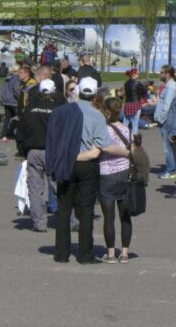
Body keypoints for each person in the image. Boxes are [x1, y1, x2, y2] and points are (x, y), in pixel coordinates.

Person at [46, 77, 128, 264]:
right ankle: (85, 254)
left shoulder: (61, 112)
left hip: (66, 163)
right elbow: (105, 146)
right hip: (87, 165)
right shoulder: (96, 115)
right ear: (96, 94)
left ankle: (61, 253)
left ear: (78, 91)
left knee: (64, 209)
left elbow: (53, 139)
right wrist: (126, 152)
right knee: (86, 209)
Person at [18, 80, 63, 232]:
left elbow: (21, 131)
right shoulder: (58, 108)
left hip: (33, 151)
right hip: (53, 152)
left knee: (35, 190)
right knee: (60, 188)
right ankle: (70, 220)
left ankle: (39, 223)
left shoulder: (30, 109)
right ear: (53, 92)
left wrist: (23, 151)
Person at [98, 97, 134, 264]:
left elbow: (101, 149)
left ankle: (111, 253)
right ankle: (125, 252)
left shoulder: (103, 130)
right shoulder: (127, 129)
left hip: (106, 173)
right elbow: (133, 150)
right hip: (124, 172)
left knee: (109, 217)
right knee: (125, 215)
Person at [154, 65, 176, 179]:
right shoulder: (169, 86)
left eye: (162, 72)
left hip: (167, 120)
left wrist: (160, 119)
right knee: (171, 146)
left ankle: (171, 170)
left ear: (167, 74)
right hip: (167, 120)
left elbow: (166, 106)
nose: (160, 74)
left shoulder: (171, 87)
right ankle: (172, 168)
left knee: (167, 147)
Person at [122, 68, 147, 136]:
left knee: (126, 121)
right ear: (134, 74)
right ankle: (134, 137)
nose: (138, 75)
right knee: (135, 123)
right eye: (137, 73)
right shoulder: (137, 83)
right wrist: (141, 95)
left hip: (127, 103)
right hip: (136, 104)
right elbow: (145, 90)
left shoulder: (126, 83)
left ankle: (122, 136)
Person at [0, 65, 21, 143]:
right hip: (14, 101)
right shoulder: (15, 78)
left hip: (6, 101)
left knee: (7, 118)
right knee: (20, 116)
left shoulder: (6, 78)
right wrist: (20, 98)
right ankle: (20, 134)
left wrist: (2, 99)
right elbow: (16, 90)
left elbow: (2, 89)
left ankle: (4, 135)